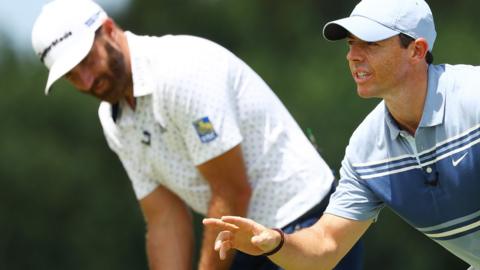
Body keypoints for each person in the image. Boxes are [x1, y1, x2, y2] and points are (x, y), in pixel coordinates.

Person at [31, 0, 364, 269]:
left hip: (306, 223)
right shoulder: (113, 119)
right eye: (72, 76)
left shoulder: (180, 71)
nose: (87, 82)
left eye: (87, 62)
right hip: (242, 240)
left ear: (108, 30)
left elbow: (231, 191)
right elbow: (164, 218)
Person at [203, 0, 480, 269]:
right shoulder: (366, 150)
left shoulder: (473, 97)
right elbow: (325, 247)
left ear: (417, 51)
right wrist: (276, 242)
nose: (353, 55)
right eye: (351, 44)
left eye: (371, 43)